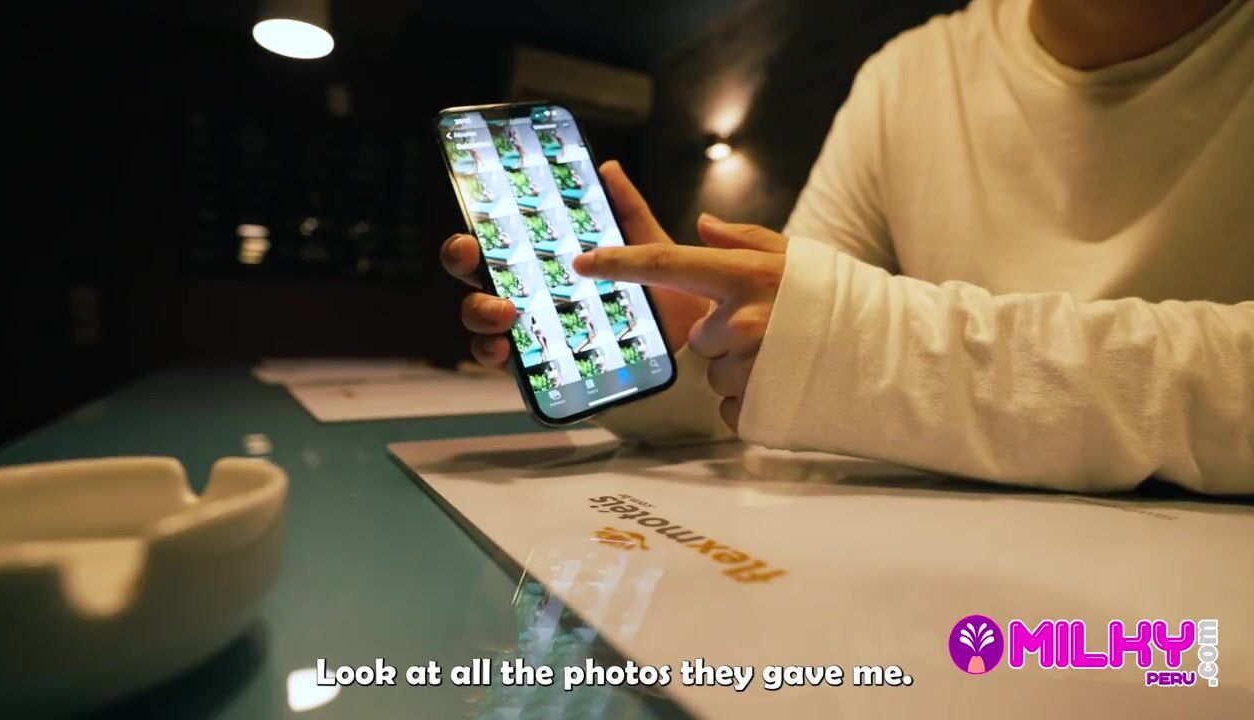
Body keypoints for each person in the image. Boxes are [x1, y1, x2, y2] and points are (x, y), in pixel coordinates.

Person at [442, 0, 1253, 494]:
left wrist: (858, 349)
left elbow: (841, 349)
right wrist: (694, 345)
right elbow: (797, 373)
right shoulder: (909, 74)